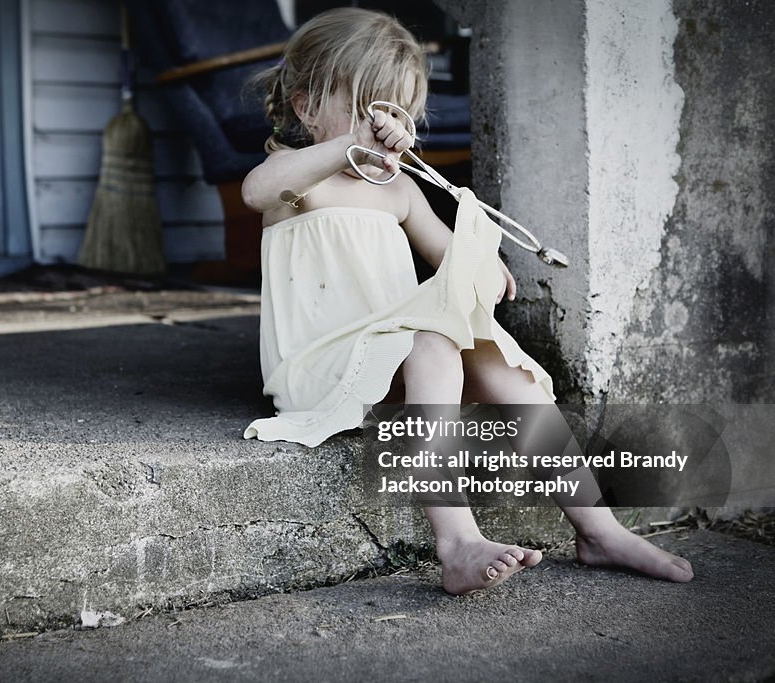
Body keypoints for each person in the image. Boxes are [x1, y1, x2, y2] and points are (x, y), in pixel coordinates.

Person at [240, 7, 693, 595]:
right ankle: (455, 540)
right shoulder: (293, 180)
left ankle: (597, 527)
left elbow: (447, 254)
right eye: (366, 112)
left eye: (396, 114)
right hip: (321, 366)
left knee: (500, 363)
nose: (382, 131)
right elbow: (256, 191)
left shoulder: (399, 189)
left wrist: (483, 264)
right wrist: (348, 144)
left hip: (395, 359)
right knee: (430, 343)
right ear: (306, 106)